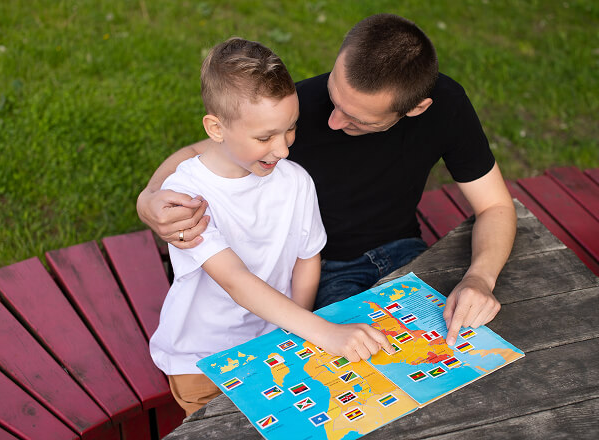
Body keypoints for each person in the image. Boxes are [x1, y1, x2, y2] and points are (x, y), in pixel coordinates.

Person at [138, 14, 516, 351]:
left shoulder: (447, 106)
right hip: (324, 267)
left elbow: (495, 206)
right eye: (334, 96)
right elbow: (200, 151)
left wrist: (480, 278)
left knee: (465, 341)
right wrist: (149, 199)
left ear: (415, 109)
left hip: (405, 249)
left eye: (358, 119)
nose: (333, 121)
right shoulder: (292, 111)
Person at [149, 37, 392, 416]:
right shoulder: (187, 194)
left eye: (290, 129)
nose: (283, 150)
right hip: (200, 360)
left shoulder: (295, 181)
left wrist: (292, 334)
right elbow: (235, 279)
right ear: (215, 128)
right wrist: (319, 330)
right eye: (265, 137)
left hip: (272, 344)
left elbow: (307, 259)